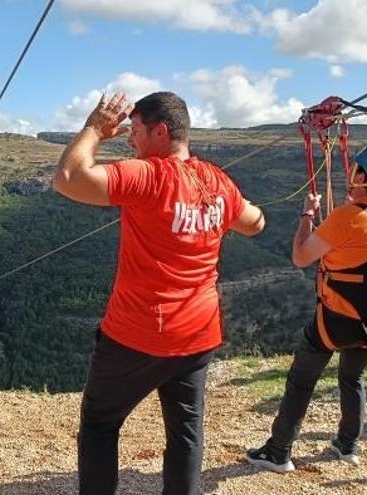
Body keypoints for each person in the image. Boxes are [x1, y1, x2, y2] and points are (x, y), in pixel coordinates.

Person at [54, 91, 265, 495]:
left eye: (135, 131)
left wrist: (95, 128)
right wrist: (231, 208)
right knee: (186, 434)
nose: (130, 140)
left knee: (100, 424)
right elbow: (255, 223)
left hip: (137, 333)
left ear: (161, 131)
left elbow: (69, 178)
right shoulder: (218, 181)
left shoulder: (147, 175)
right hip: (198, 333)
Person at [246, 143, 367, 472]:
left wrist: (308, 214)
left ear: (363, 175)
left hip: (338, 317)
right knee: (353, 377)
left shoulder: (348, 217)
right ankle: (348, 444)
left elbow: (300, 257)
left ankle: (278, 451)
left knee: (301, 380)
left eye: (356, 170)